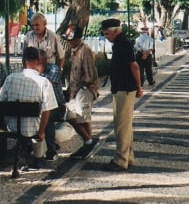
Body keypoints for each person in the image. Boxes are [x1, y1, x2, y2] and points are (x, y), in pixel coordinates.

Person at [0, 46, 58, 169]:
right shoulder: (44, 82)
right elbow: (47, 109)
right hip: (33, 128)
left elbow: (1, 99)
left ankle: (22, 152)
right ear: (37, 61)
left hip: (12, 126)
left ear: (23, 62)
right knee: (42, 117)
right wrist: (41, 132)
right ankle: (38, 157)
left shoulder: (10, 78)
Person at [101, 18, 143, 172]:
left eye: (107, 33)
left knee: (121, 126)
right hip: (121, 88)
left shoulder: (122, 44)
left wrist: (139, 87)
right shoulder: (120, 43)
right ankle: (128, 157)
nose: (106, 36)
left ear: (115, 31)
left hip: (124, 88)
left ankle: (121, 159)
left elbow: (134, 66)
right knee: (125, 125)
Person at [62, 24, 100, 160]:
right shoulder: (74, 51)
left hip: (84, 89)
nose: (68, 42)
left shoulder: (85, 51)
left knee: (82, 118)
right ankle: (88, 142)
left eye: (70, 39)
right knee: (74, 117)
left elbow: (90, 75)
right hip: (75, 90)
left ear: (77, 38)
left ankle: (88, 143)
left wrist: (81, 88)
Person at [38, 49, 65, 161]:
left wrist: (37, 73)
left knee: (47, 116)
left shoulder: (53, 69)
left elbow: (45, 86)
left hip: (57, 106)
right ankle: (31, 148)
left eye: (38, 61)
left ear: (44, 61)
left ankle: (51, 150)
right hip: (40, 106)